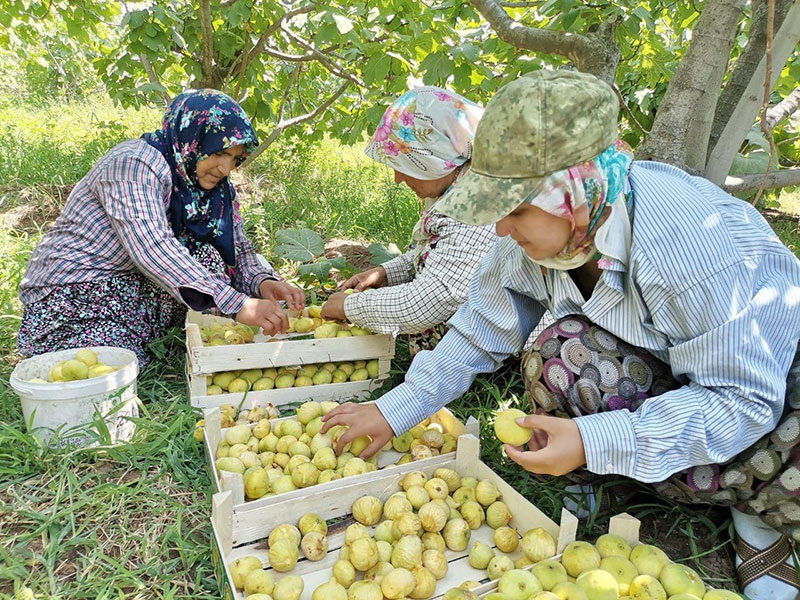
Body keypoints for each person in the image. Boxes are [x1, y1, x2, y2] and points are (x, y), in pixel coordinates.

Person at [322, 70, 800, 597]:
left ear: (572, 193)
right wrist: (398, 409)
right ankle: (619, 471)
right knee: (556, 355)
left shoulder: (683, 248)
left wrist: (598, 438)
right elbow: (480, 328)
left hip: (768, 380)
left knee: (776, 443)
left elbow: (743, 397)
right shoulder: (544, 240)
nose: (501, 228)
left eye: (516, 210)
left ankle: (755, 516)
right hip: (678, 365)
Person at [18, 89, 303, 367]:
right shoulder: (134, 164)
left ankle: (143, 334)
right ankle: (72, 341)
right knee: (112, 363)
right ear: (194, 140)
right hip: (76, 290)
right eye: (219, 153)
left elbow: (238, 249)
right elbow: (154, 249)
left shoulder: (211, 185)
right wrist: (238, 304)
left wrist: (263, 283)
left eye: (235, 158)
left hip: (128, 284)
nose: (226, 168)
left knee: (210, 257)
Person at [320, 87, 497, 354]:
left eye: (406, 166)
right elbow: (437, 255)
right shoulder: (457, 187)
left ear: (437, 161)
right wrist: (386, 273)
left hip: (503, 344)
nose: (398, 179)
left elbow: (427, 302)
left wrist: (348, 307)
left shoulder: (476, 208)